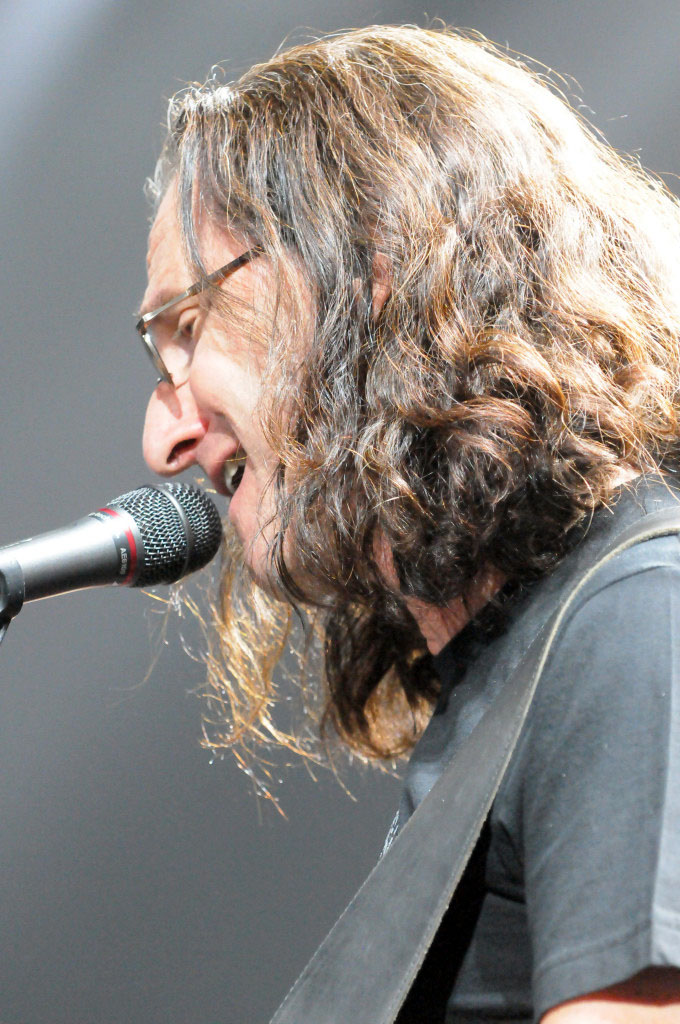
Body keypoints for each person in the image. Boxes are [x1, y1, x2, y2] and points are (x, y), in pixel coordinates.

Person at [136, 24, 680, 1023]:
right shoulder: (505, 681)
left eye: (189, 327)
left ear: (369, 266)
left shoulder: (637, 623)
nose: (160, 437)